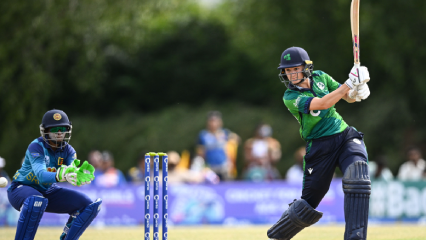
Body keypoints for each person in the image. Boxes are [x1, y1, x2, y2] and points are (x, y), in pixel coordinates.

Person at [267, 47, 371, 240]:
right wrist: (349, 83)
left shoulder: (321, 76)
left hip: (344, 135)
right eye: (287, 71)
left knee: (358, 177)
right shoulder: (290, 97)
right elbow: (323, 103)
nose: (290, 74)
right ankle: (278, 235)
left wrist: (357, 90)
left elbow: (345, 97)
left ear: (307, 67)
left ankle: (355, 237)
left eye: (294, 69)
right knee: (309, 203)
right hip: (319, 147)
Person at [6, 109, 100, 240]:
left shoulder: (69, 150)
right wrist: (60, 175)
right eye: (55, 129)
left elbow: (71, 168)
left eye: (63, 128)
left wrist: (77, 174)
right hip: (21, 189)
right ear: (46, 131)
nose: (60, 132)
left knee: (89, 206)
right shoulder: (36, 147)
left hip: (48, 191)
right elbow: (41, 175)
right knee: (35, 200)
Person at [196, 111, 240, 181]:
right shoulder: (203, 135)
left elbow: (237, 139)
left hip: (224, 166)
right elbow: (200, 152)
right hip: (210, 167)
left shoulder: (224, 133)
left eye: (216, 121)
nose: (213, 124)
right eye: (211, 121)